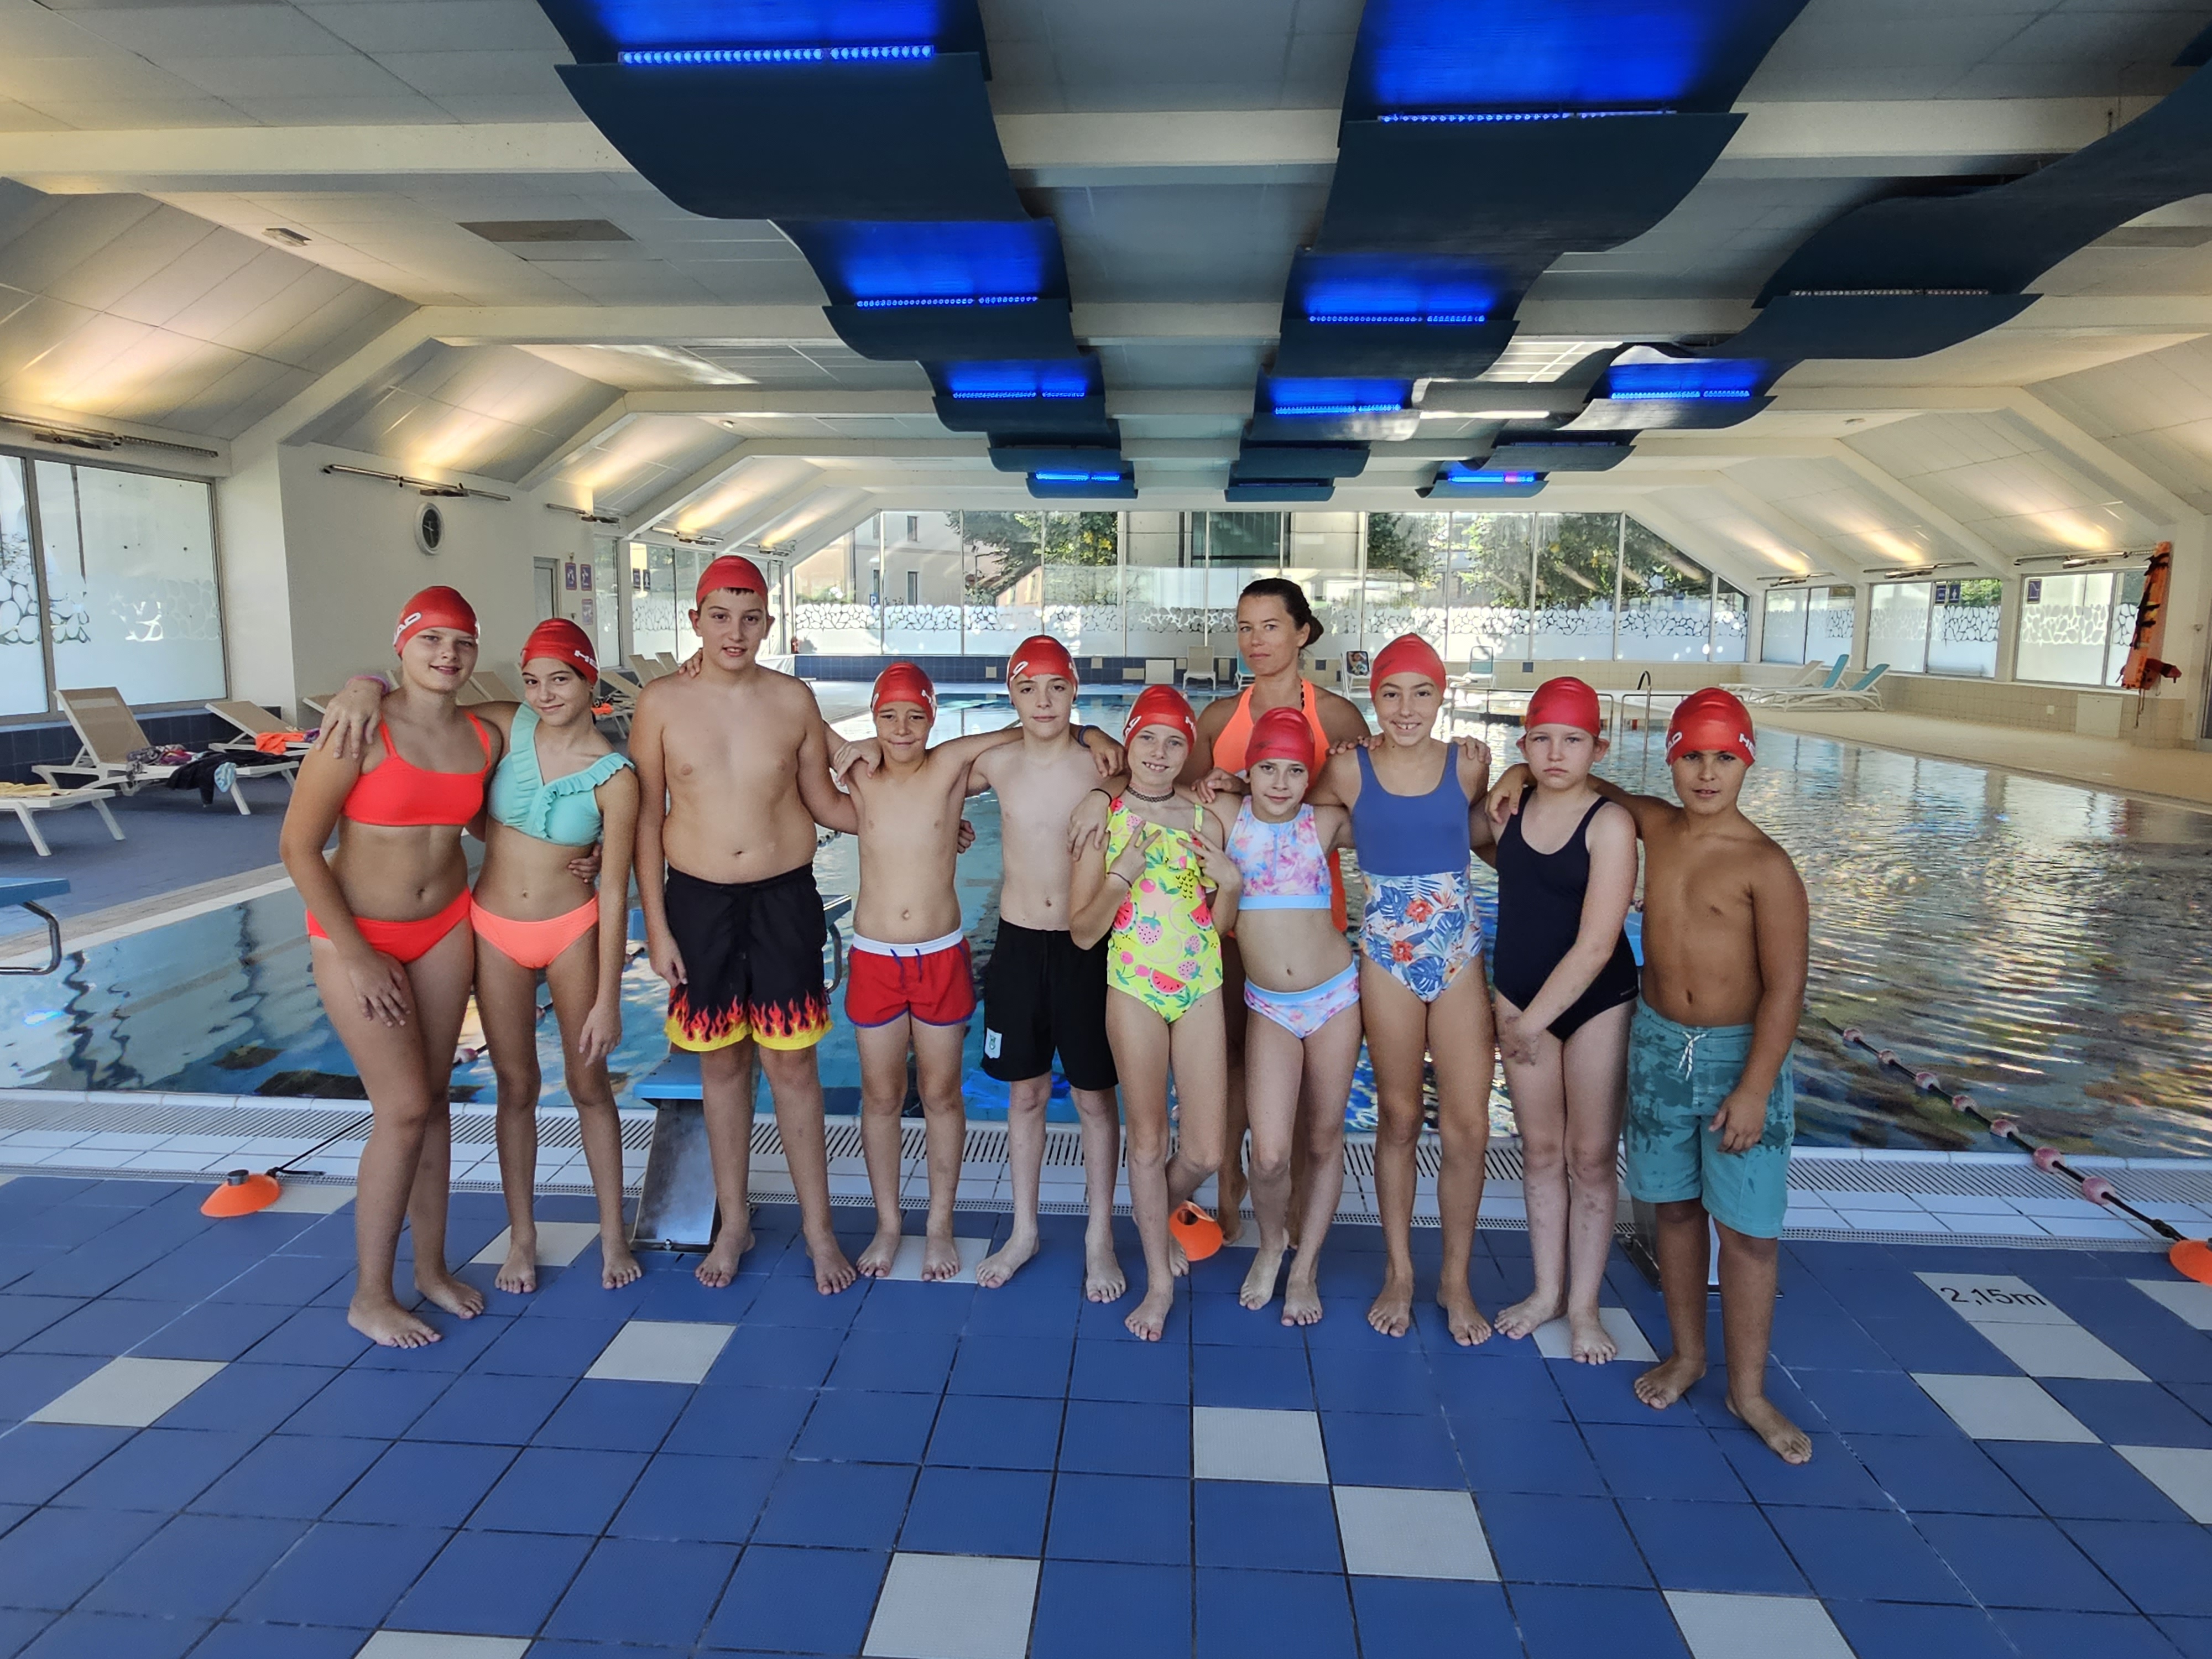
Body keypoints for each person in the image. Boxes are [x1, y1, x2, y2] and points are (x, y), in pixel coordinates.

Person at [1500, 690, 1811, 1462]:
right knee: (1671, 1210)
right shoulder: (1654, 824)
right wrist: (1516, 768)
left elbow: (1787, 991)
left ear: (1747, 763)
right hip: (1660, 1046)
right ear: (1669, 759)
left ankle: (1749, 1392)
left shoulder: (1766, 865)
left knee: (1747, 1233)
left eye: (1724, 757)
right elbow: (1578, 779)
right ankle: (1687, 1356)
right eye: (1692, 756)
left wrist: (1754, 1087)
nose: (1707, 773)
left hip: (1739, 1056)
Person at [818, 660, 1117, 1283]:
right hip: (877, 954)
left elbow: (1030, 731)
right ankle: (888, 1225)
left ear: (934, 719)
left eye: (915, 716)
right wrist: (852, 743)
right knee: (881, 1096)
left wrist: (1092, 734)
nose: (902, 728)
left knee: (943, 1094)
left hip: (947, 952)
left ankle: (940, 1226)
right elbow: (803, 737)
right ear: (873, 718)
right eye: (888, 717)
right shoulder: (862, 778)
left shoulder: (955, 761)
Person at [280, 587, 502, 1347]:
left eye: (462, 642)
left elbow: (499, 816)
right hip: (357, 934)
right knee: (403, 1108)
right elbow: (297, 848)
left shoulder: (483, 734)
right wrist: (357, 954)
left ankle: (431, 1270)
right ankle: (370, 1295)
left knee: (434, 1102)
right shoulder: (359, 729)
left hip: (444, 928)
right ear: (402, 645)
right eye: (431, 639)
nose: (448, 654)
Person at [632, 553, 859, 1293]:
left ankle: (819, 1230)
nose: (735, 632)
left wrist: (910, 823)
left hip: (783, 899)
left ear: (769, 623)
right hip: (697, 903)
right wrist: (657, 927)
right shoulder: (661, 703)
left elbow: (826, 802)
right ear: (695, 620)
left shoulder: (793, 700)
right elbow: (644, 820)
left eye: (751, 618)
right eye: (721, 617)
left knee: (793, 1067)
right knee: (721, 1065)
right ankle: (734, 1222)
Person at [1313, 634, 1498, 1343]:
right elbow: (1294, 816)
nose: (1406, 708)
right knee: (1397, 1118)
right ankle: (1399, 1272)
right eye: (1390, 694)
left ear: (1442, 697)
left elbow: (1487, 830)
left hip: (1456, 954)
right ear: (1373, 699)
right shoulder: (1349, 769)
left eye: (1422, 693)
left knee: (1469, 1125)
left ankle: (1456, 1279)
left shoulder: (1469, 763)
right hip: (1387, 952)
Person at [1188, 580, 1368, 1240]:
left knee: (1301, 1078)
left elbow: (1373, 803)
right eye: (1245, 627)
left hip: (1309, 920)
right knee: (1233, 1058)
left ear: (1302, 632)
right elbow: (1182, 803)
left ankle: (1289, 1196)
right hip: (1229, 918)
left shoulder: (1338, 717)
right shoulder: (1218, 719)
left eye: (1269, 626)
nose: (1255, 640)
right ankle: (1231, 1185)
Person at [470, 620, 640, 1293]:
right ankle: (522, 1237)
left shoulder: (614, 776)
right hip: (493, 929)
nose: (544, 694)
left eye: (560, 679)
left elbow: (617, 888)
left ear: (589, 681)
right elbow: (429, 723)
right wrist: (366, 688)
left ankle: (613, 1234)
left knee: (588, 1085)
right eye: (533, 681)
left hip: (572, 929)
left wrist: (609, 999)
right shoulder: (506, 726)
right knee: (515, 1087)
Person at [1068, 685, 1239, 1340]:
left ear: (1187, 750)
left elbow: (1215, 926)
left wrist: (1231, 885)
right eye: (1147, 738)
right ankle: (1158, 1287)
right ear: (1129, 741)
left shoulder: (1205, 820)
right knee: (1147, 1141)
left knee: (1205, 1148)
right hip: (1134, 987)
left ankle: (1151, 1213)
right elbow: (1083, 932)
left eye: (1174, 742)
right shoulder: (1103, 819)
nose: (1160, 752)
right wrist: (1121, 874)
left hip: (1199, 984)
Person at [1487, 677, 1641, 1363]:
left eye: (1572, 740)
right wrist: (1510, 776)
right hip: (1518, 995)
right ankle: (1547, 1291)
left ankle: (1584, 1307)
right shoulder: (1507, 811)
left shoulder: (1610, 824)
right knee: (1542, 1153)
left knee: (1590, 1158)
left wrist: (1528, 1024)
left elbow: (1598, 943)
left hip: (1593, 1003)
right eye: (1542, 740)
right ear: (1523, 744)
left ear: (1597, 749)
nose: (1556, 753)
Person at [969, 637, 1127, 1297]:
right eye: (1028, 688)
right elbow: (920, 772)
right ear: (1010, 693)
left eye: (1056, 688)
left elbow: (1148, 772)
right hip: (1015, 946)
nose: (1043, 701)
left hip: (1085, 948)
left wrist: (1105, 786)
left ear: (1074, 692)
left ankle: (1100, 1236)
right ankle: (1024, 1230)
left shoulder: (1101, 764)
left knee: (1094, 1097)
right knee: (1026, 1094)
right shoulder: (996, 763)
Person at [1219, 705, 1359, 1325]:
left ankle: (1305, 1270)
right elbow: (1151, 801)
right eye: (1268, 768)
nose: (1280, 782)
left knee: (1324, 1140)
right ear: (1248, 770)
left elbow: (1410, 815)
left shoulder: (1324, 822)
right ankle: (1272, 1243)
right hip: (1270, 1008)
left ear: (1312, 775)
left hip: (1336, 1000)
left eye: (1295, 770)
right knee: (1270, 1154)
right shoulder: (1228, 817)